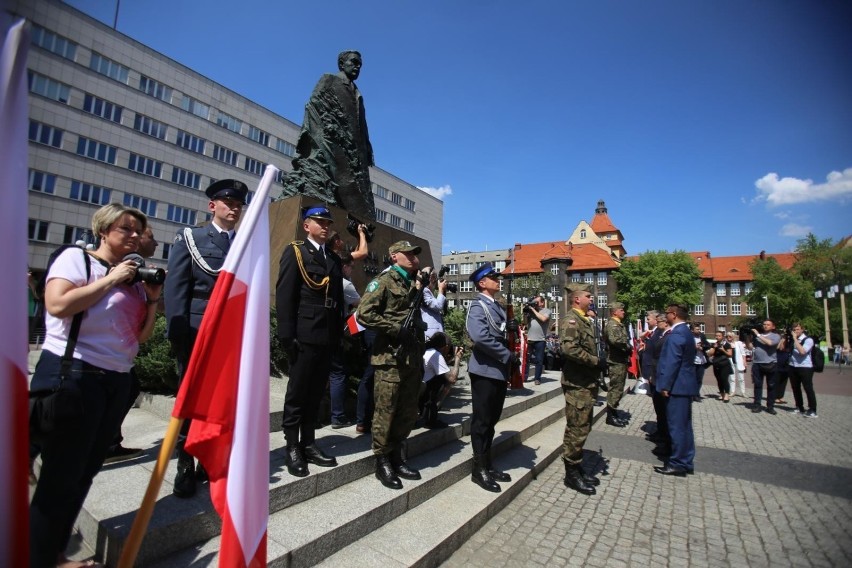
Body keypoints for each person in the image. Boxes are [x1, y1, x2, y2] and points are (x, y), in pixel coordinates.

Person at [30, 203, 161, 568]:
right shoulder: (79, 260)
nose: (135, 236)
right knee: (60, 475)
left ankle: (54, 552)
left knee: (84, 473)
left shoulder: (133, 277)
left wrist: (150, 300)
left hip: (115, 380)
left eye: (139, 230)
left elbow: (142, 336)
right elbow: (57, 304)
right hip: (75, 375)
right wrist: (111, 279)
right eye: (126, 229)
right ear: (103, 230)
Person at [164, 178, 248, 497]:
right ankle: (185, 464)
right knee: (192, 401)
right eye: (228, 202)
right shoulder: (192, 237)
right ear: (213, 205)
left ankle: (208, 460)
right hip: (197, 330)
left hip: (229, 335)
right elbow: (177, 289)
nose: (234, 208)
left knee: (220, 401)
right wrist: (178, 332)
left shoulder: (243, 244)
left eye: (239, 204)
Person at [276, 205, 345, 475]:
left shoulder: (334, 259)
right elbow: (285, 295)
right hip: (304, 334)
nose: (325, 226)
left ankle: (309, 443)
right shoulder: (296, 252)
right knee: (297, 393)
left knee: (316, 393)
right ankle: (292, 446)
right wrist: (286, 335)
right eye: (319, 221)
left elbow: (337, 301)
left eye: (328, 222)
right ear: (307, 225)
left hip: (327, 334)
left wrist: (338, 334)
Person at [358, 240, 426, 489]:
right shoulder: (384, 281)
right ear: (394, 256)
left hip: (412, 357)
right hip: (389, 357)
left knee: (407, 411)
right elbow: (364, 313)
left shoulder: (414, 282)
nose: (413, 258)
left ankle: (397, 454)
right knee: (385, 410)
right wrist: (395, 328)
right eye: (408, 254)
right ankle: (382, 459)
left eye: (414, 254)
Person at [281, 50, 376, 220]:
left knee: (363, 196)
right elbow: (313, 108)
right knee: (344, 185)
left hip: (357, 152)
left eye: (360, 64)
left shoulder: (358, 93)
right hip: (335, 145)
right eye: (353, 62)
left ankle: (362, 219)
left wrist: (367, 146)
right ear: (341, 64)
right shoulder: (329, 81)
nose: (357, 67)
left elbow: (363, 124)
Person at [103, 225, 160, 464]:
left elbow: (143, 334)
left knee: (129, 387)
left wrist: (153, 297)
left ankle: (109, 442)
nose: (155, 243)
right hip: (100, 356)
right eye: (151, 237)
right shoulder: (120, 269)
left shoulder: (138, 279)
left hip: (121, 356)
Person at [465, 263, 515, 492]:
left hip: (497, 370)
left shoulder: (498, 307)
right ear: (482, 283)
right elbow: (481, 337)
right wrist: (507, 355)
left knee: (492, 421)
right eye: (493, 277)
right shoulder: (478, 306)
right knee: (482, 422)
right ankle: (478, 470)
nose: (498, 280)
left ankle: (487, 463)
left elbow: (499, 332)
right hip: (485, 370)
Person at [559, 283, 605, 494]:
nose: (591, 299)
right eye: (588, 296)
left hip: (586, 382)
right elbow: (569, 348)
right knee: (577, 428)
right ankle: (571, 473)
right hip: (577, 382)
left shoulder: (584, 320)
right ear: (577, 299)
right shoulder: (571, 320)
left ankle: (576, 467)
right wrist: (594, 361)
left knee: (582, 426)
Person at [653, 303, 699, 476]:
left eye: (667, 313)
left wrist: (665, 385)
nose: (666, 316)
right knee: (685, 426)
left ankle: (678, 462)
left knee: (677, 426)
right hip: (684, 385)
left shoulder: (677, 335)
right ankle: (685, 460)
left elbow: (671, 363)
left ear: (673, 314)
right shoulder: (685, 332)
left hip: (677, 387)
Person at [329, 252, 361, 428]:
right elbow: (360, 304)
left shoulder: (327, 279)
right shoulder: (345, 284)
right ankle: (338, 416)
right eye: (351, 267)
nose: (352, 270)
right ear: (344, 266)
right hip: (338, 333)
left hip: (321, 331)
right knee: (338, 373)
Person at [419, 331, 463, 429]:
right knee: (446, 380)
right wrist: (457, 359)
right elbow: (452, 379)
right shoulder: (436, 355)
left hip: (420, 388)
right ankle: (430, 417)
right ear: (446, 346)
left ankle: (426, 413)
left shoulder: (428, 350)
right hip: (425, 393)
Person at [604, 302, 631, 426]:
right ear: (615, 312)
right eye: (621, 310)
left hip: (620, 360)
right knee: (616, 388)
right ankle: (610, 415)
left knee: (618, 388)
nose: (623, 312)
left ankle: (613, 412)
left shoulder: (618, 325)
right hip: (615, 361)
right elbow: (615, 340)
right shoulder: (613, 325)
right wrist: (627, 346)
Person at [749, 319, 781, 415]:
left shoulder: (775, 336)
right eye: (764, 324)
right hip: (757, 363)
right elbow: (750, 347)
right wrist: (746, 338)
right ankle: (757, 405)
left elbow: (770, 343)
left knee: (771, 386)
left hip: (770, 363)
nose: (765, 326)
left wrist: (758, 335)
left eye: (768, 324)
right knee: (757, 385)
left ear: (773, 326)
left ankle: (770, 406)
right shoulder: (757, 336)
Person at [788, 323, 817, 417]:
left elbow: (802, 352)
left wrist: (795, 339)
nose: (796, 331)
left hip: (805, 367)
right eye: (794, 329)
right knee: (795, 388)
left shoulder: (808, 340)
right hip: (793, 366)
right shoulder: (792, 340)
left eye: (797, 329)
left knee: (808, 388)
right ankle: (799, 406)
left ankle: (812, 409)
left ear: (802, 330)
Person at [524, 295, 551, 385]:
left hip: (540, 339)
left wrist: (533, 310)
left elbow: (543, 319)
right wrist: (526, 312)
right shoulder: (531, 312)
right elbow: (524, 322)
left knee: (539, 360)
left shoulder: (547, 311)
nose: (535, 304)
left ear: (542, 302)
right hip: (530, 339)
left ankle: (537, 378)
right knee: (526, 359)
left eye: (537, 302)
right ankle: (524, 377)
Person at [421, 270, 448, 340]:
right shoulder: (424, 291)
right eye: (432, 276)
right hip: (430, 335)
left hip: (435, 334)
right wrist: (441, 289)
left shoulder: (430, 293)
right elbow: (438, 306)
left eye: (435, 277)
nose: (435, 280)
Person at [707, 331, 733, 402]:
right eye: (716, 336)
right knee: (719, 380)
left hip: (724, 364)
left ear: (722, 337)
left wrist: (723, 350)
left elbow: (730, 354)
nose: (717, 337)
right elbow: (709, 354)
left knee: (724, 379)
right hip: (716, 364)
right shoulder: (714, 344)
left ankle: (727, 395)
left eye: (719, 336)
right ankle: (722, 394)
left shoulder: (727, 344)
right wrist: (714, 348)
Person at [692, 324, 711, 399]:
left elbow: (708, 345)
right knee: (692, 378)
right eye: (697, 329)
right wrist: (694, 347)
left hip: (701, 360)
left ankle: (696, 394)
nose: (698, 331)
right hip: (693, 360)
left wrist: (702, 347)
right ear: (692, 330)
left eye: (699, 329)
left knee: (699, 378)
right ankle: (692, 394)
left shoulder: (702, 336)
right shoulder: (689, 337)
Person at [728, 331, 748, 397]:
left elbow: (743, 353)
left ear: (733, 337)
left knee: (741, 378)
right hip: (731, 363)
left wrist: (744, 362)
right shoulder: (727, 344)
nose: (728, 338)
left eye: (730, 336)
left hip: (739, 362)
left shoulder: (738, 343)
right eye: (727, 336)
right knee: (732, 378)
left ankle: (743, 392)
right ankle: (732, 391)